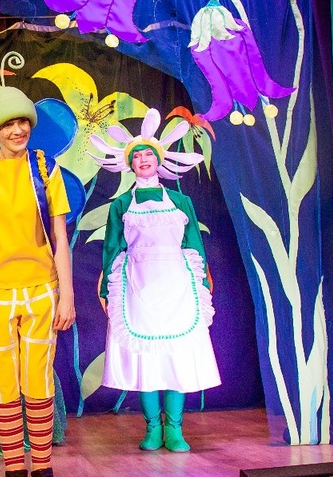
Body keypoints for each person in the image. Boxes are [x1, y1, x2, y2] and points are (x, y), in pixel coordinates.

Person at [0, 84, 75, 477]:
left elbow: (60, 236)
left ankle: (42, 468)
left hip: (40, 289)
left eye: (22, 121)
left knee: (38, 382)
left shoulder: (45, 168)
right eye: (8, 124)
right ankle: (14, 469)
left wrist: (67, 296)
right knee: (2, 385)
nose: (17, 130)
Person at [89, 108, 221, 453]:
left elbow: (194, 243)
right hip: (138, 285)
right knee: (145, 359)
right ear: (130, 164)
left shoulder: (181, 201)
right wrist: (106, 289)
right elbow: (113, 248)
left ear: (159, 161)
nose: (144, 160)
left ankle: (174, 428)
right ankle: (152, 428)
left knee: (176, 356)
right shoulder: (121, 205)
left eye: (149, 154)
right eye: (137, 156)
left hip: (177, 285)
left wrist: (203, 281)